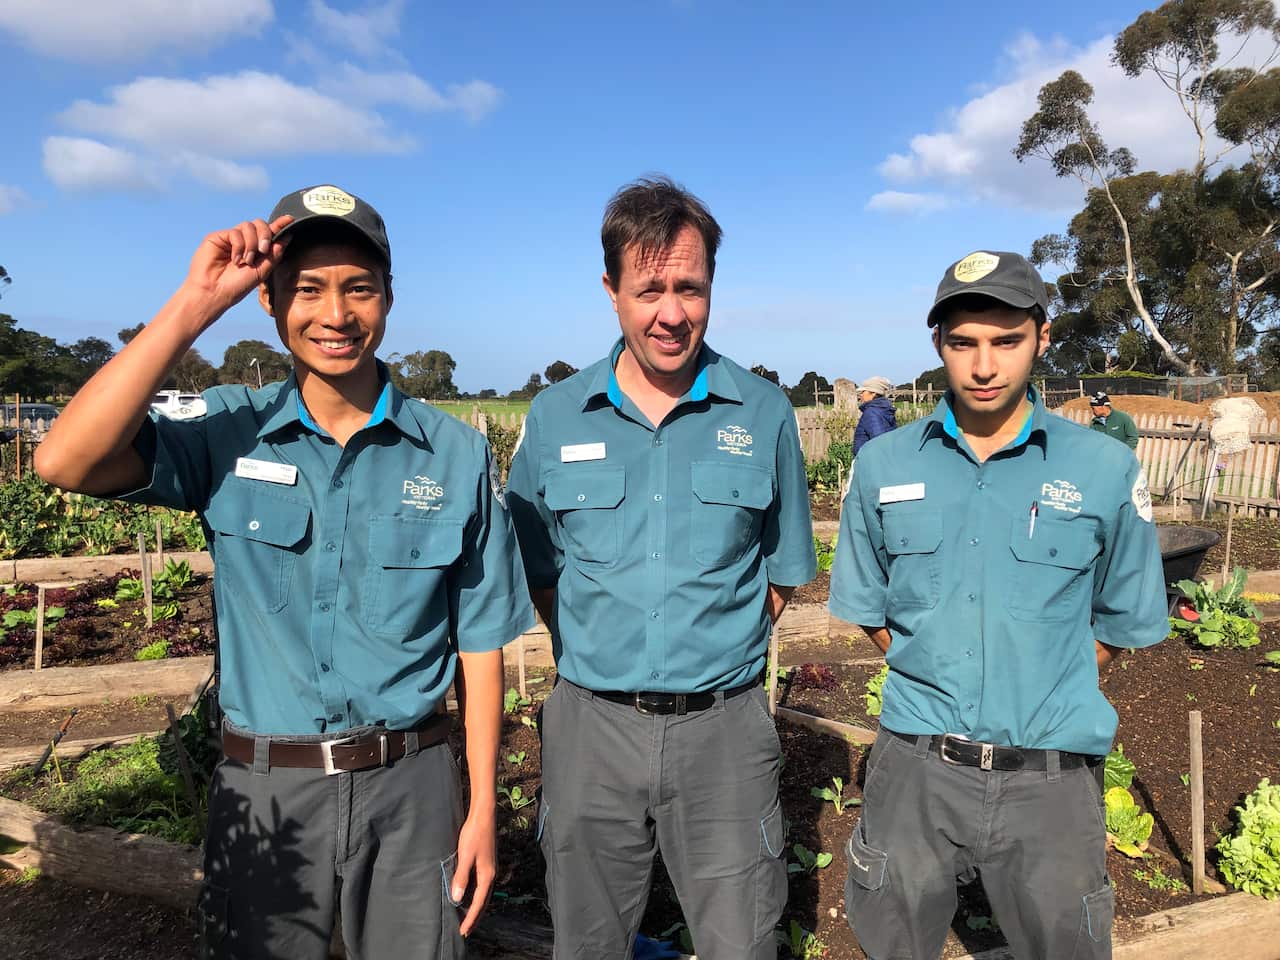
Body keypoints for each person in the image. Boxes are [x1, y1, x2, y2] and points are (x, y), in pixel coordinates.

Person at [35, 184, 534, 960]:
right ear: (268, 301)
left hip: (411, 786)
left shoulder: (455, 453)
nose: (335, 314)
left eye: (358, 288)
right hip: (265, 786)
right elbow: (64, 459)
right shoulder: (227, 431)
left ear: (389, 299)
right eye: (307, 290)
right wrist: (196, 304)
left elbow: (479, 645)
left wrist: (479, 813)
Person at [505, 176, 816, 960]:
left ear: (711, 288)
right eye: (649, 288)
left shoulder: (763, 412)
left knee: (739, 936)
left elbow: (781, 574)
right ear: (611, 290)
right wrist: (611, 649)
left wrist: (699, 648)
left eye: (690, 287)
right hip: (591, 728)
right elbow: (541, 570)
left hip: (724, 729)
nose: (671, 312)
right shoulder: (555, 416)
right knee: (587, 936)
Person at [828, 250, 1167, 960]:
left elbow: (1123, 618)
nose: (984, 365)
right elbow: (867, 604)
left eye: (1006, 340)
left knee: (1063, 946)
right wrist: (936, 667)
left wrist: (1044, 672)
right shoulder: (884, 466)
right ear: (939, 347)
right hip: (916, 770)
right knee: (893, 942)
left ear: (1042, 339)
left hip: (1051, 778)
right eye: (964, 342)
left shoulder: (1103, 468)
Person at [853, 375, 897, 455]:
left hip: (868, 462)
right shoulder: (884, 409)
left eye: (863, 391)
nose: (861, 394)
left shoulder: (872, 412)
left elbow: (879, 441)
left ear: (873, 393)